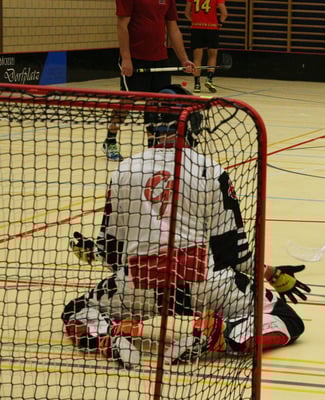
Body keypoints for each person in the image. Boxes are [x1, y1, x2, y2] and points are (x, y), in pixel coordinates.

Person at [62, 85, 310, 369]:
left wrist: (96, 252)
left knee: (77, 311)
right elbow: (233, 254)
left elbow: (112, 254)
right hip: (205, 286)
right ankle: (219, 337)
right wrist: (271, 273)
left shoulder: (124, 170)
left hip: (139, 285)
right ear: (191, 124)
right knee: (288, 320)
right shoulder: (210, 171)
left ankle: (108, 337)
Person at [102, 0, 196, 161]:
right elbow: (122, 26)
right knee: (127, 101)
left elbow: (173, 28)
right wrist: (126, 58)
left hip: (160, 59)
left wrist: (183, 59)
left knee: (156, 104)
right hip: (135, 59)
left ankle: (153, 145)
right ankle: (110, 140)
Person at [184, 0, 227, 93]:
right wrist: (220, 23)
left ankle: (197, 84)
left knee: (197, 58)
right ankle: (209, 79)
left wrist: (195, 21)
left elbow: (187, 13)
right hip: (212, 28)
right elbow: (224, 13)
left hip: (197, 28)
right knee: (212, 55)